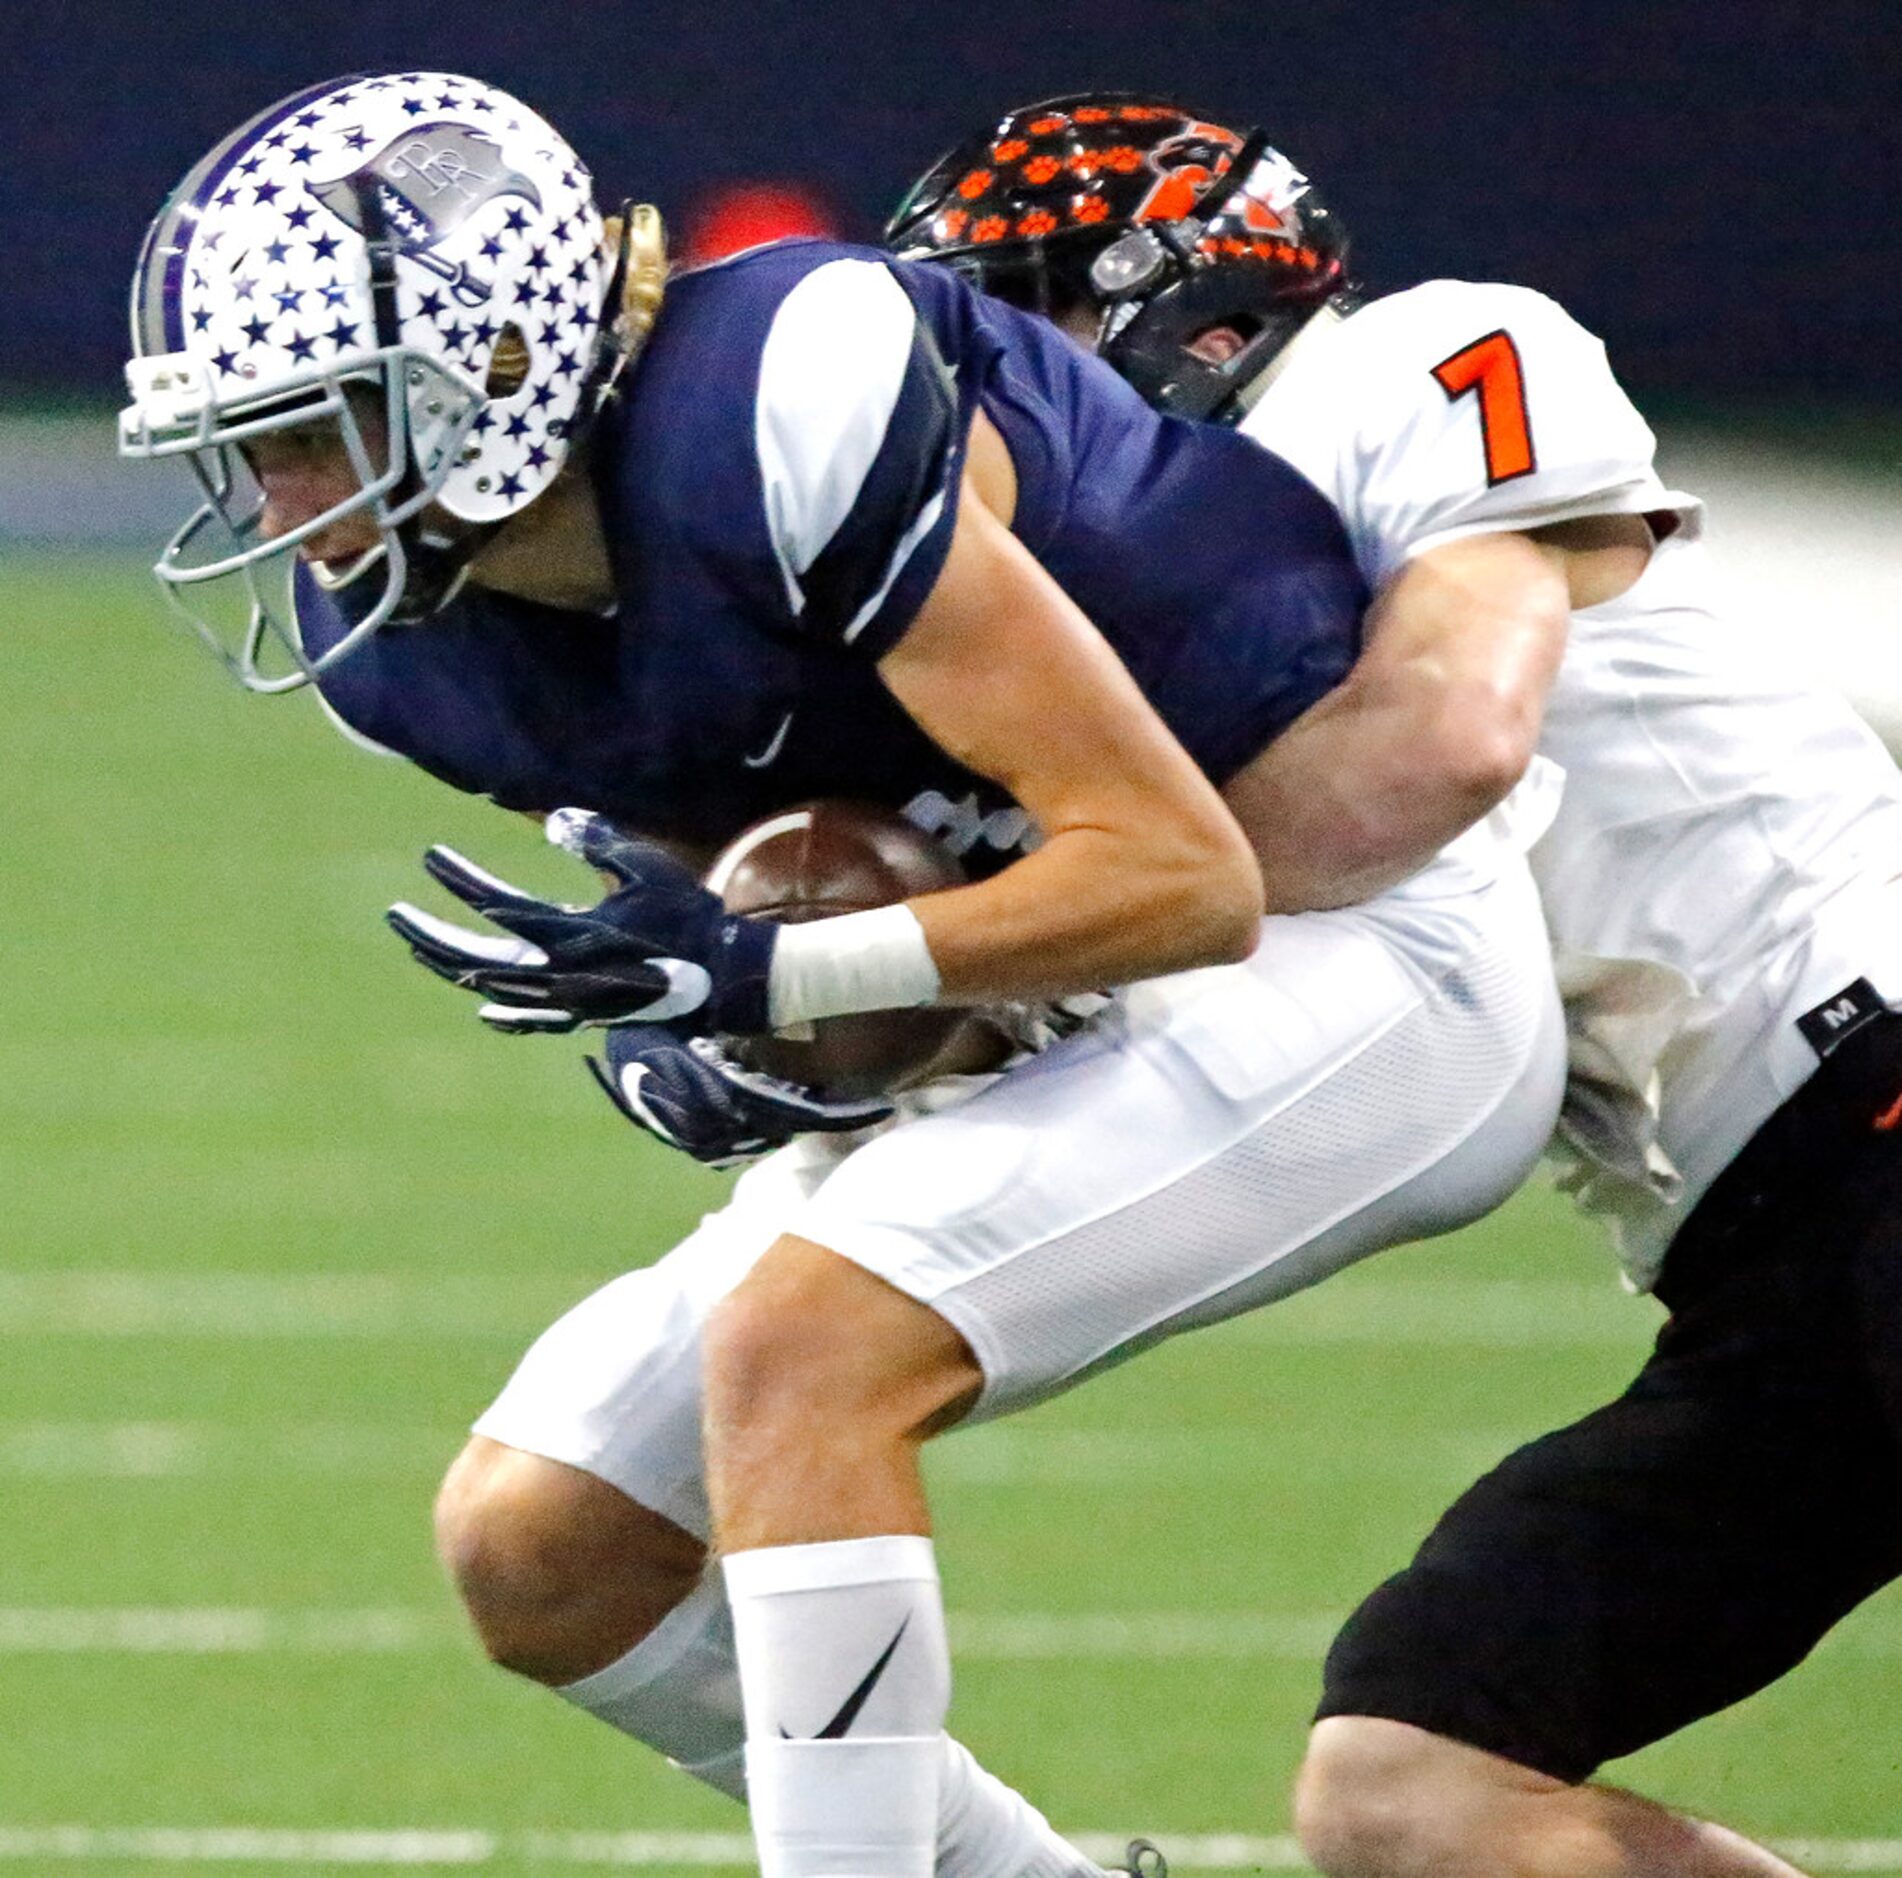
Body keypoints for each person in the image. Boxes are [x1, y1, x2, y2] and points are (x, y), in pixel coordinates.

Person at [119, 73, 1570, 1878]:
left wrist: (767, 968)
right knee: (538, 1540)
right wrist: (729, 1021)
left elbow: (1181, 874)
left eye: (311, 432)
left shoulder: (786, 396)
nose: (272, 497)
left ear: (488, 368)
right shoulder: (407, 649)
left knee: (803, 1354)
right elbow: (783, 871)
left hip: (1350, 943)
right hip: (1053, 973)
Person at [890, 94, 1902, 1876]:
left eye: (1015, 330)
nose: (991, 410)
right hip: (1759, 1263)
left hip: (1876, 1087)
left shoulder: (1422, 366)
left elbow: (1438, 740)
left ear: (1180, 302)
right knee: (1413, 1777)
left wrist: (1023, 915)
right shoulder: (1170, 619)